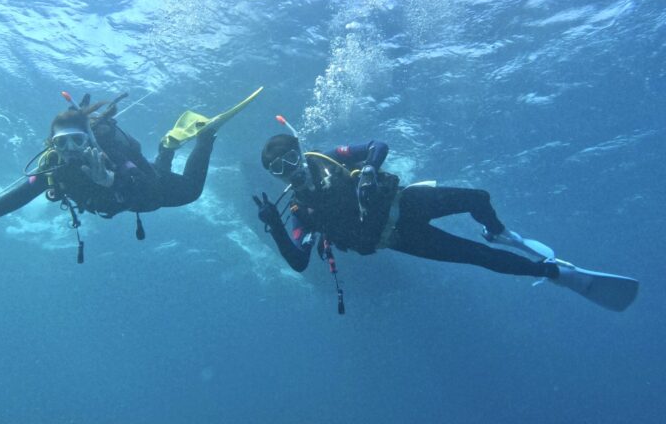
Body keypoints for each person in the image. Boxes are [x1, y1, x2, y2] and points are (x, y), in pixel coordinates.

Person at [253, 132, 639, 311]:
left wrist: (369, 169)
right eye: (278, 171)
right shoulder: (299, 210)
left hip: (406, 203)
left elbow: (377, 145)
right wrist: (275, 228)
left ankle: (499, 232)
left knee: (478, 198)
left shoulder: (328, 158)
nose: (289, 173)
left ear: (301, 152)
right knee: (474, 256)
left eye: (290, 160)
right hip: (397, 238)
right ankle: (554, 273)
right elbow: (300, 261)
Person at [0, 92, 219, 244]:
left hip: (149, 193)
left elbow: (148, 189)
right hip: (126, 202)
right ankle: (167, 148)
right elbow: (20, 195)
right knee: (161, 175)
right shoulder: (54, 167)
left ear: (89, 139)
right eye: (61, 142)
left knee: (191, 192)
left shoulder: (110, 154)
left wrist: (111, 180)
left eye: (77, 140)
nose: (70, 149)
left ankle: (204, 138)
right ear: (52, 144)